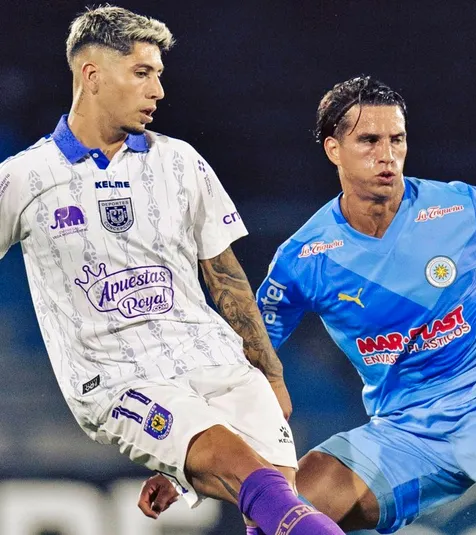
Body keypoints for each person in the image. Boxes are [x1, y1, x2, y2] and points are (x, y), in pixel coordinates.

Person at [140, 76, 476, 534]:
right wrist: (179, 466)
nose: (387, 155)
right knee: (287, 510)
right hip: (405, 428)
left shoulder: (462, 208)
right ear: (333, 149)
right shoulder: (305, 258)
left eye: (397, 139)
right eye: (369, 141)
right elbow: (243, 360)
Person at [0, 6, 344, 535]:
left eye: (159, 74)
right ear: (92, 75)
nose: (158, 91)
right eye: (142, 73)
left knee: (273, 510)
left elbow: (225, 277)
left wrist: (270, 374)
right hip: (119, 379)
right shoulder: (25, 177)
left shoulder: (181, 161)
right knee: (251, 477)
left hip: (216, 361)